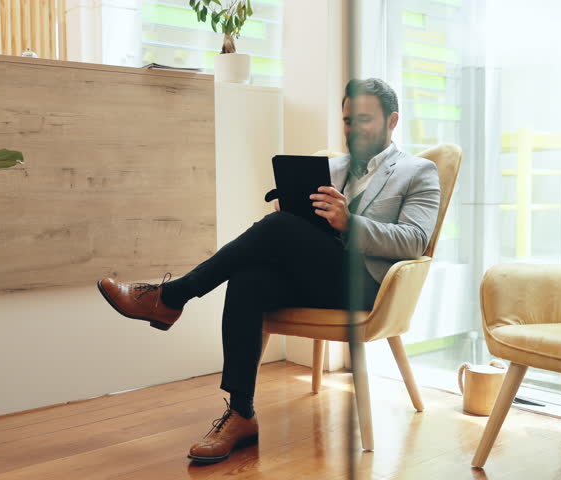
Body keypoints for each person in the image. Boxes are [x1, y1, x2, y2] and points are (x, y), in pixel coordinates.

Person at [97, 78, 441, 464]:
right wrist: (295, 214)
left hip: (371, 287)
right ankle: (241, 413)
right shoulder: (331, 167)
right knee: (250, 276)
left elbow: (414, 240)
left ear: (392, 121)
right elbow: (313, 234)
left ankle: (170, 297)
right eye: (347, 120)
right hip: (320, 277)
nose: (352, 130)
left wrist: (349, 223)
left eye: (364, 120)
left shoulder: (418, 172)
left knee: (275, 231)